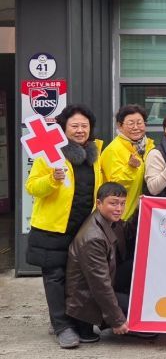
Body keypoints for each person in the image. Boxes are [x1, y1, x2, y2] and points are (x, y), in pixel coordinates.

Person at [25, 104, 104, 348]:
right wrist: (52, 179)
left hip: (83, 229)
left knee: (79, 278)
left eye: (84, 126)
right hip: (53, 229)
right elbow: (32, 187)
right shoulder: (50, 153)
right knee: (55, 277)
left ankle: (80, 321)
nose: (80, 130)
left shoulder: (95, 154)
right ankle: (61, 326)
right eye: (74, 126)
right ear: (64, 128)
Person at [65, 182, 155, 343]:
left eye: (122, 203)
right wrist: (117, 320)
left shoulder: (109, 220)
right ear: (98, 203)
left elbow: (127, 231)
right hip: (87, 298)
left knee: (141, 266)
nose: (119, 208)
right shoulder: (92, 238)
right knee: (146, 316)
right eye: (113, 203)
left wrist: (141, 208)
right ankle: (92, 323)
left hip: (108, 279)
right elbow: (100, 285)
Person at [100, 104, 154, 221]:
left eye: (139, 123)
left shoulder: (147, 146)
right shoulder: (113, 150)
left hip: (140, 213)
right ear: (120, 126)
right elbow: (115, 187)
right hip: (120, 216)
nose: (136, 127)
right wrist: (130, 168)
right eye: (130, 123)